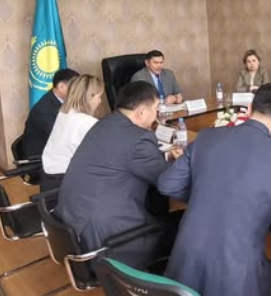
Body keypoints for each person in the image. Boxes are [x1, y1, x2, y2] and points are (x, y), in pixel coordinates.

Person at [158, 83, 271, 296]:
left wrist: (207, 192)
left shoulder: (206, 137)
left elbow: (167, 184)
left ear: (250, 108)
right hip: (234, 280)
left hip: (183, 268)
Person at [55, 81, 181, 269]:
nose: (156, 115)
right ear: (141, 112)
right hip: (108, 239)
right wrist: (185, 164)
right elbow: (169, 183)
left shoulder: (104, 124)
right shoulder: (139, 138)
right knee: (187, 224)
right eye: (156, 109)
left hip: (74, 225)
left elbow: (121, 159)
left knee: (158, 206)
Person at [40, 75, 104, 191]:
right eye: (99, 97)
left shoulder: (64, 113)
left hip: (49, 178)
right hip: (65, 183)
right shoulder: (87, 123)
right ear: (89, 97)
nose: (100, 101)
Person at [22, 68, 79, 158]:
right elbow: (62, 137)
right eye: (76, 88)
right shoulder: (44, 110)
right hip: (41, 158)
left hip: (57, 151)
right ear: (61, 86)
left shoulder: (62, 101)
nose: (78, 92)